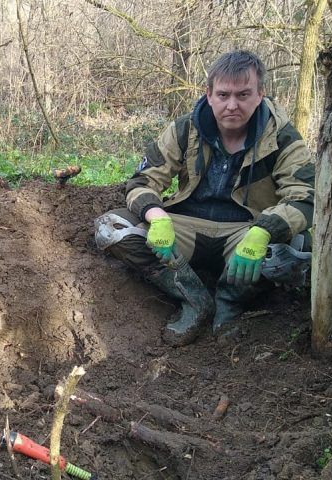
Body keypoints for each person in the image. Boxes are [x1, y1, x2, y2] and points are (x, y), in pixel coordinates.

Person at [94, 50, 315, 346]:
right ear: (208, 94)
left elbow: (305, 196)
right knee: (111, 228)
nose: (232, 105)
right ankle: (193, 297)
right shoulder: (185, 128)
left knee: (297, 250)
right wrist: (156, 216)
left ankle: (230, 302)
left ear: (261, 93)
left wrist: (264, 230)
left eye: (243, 94)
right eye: (223, 95)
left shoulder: (283, 137)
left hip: (245, 232)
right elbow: (142, 180)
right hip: (186, 226)